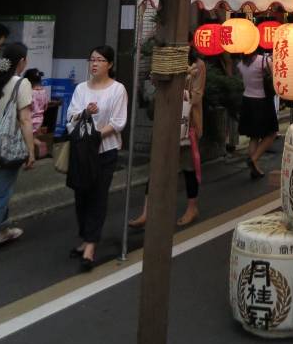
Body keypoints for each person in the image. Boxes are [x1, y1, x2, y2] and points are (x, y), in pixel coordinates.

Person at [129, 44, 206, 229]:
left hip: (188, 123)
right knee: (157, 165)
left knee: (188, 167)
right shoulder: (165, 59)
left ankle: (192, 208)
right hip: (166, 121)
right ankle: (147, 212)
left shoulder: (197, 65)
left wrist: (181, 91)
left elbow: (197, 95)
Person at [66, 45, 127, 270]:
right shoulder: (81, 88)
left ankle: (91, 244)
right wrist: (85, 114)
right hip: (82, 152)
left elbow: (119, 122)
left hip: (105, 151)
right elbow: (70, 118)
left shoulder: (117, 89)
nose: (94, 64)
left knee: (98, 196)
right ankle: (85, 237)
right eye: (92, 59)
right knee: (81, 194)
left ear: (109, 64)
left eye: (100, 60)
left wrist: (94, 136)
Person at [0, 40, 35, 267]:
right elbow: (25, 120)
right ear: (22, 61)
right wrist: (31, 150)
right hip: (4, 150)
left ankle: (2, 230)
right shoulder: (20, 84)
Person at [237, 47, 278, 179]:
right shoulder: (264, 61)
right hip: (263, 102)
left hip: (247, 100)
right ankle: (253, 159)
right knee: (271, 133)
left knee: (254, 136)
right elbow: (275, 78)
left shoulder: (241, 64)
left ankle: (255, 168)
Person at [24, 69, 49, 158]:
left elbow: (28, 106)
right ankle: (36, 152)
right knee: (31, 136)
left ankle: (39, 145)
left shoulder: (30, 93)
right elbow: (46, 106)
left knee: (26, 136)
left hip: (31, 119)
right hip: (40, 119)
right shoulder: (44, 91)